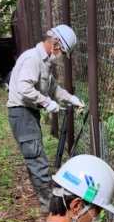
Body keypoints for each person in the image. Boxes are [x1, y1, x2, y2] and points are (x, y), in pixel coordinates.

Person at [7, 25, 85, 207]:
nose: (62, 57)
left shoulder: (44, 63)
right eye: (63, 52)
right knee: (35, 155)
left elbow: (54, 89)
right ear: (56, 44)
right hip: (21, 112)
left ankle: (45, 195)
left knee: (34, 153)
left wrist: (73, 99)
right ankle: (48, 202)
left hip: (27, 112)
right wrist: (46, 102)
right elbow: (24, 87)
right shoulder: (33, 59)